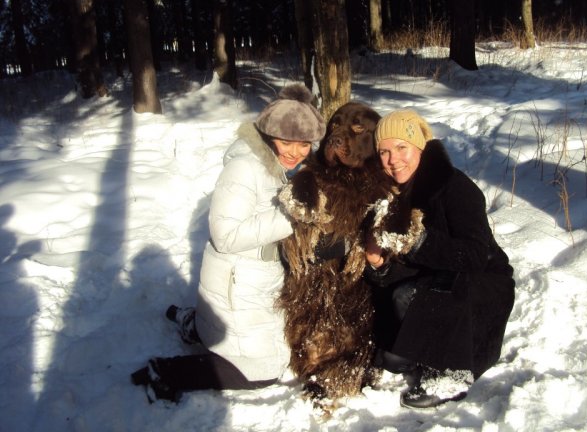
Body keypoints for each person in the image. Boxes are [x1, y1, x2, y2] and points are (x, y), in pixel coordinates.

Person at [131, 84, 326, 403]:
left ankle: (194, 325)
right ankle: (167, 371)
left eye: (303, 144)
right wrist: (292, 217)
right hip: (238, 278)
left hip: (254, 278)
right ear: (267, 135)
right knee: (262, 371)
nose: (294, 151)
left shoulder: (283, 167)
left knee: (273, 343)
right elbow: (226, 235)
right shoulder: (245, 167)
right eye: (285, 141)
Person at [364, 110, 515, 410]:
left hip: (481, 285)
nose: (393, 160)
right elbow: (408, 265)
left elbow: (474, 255)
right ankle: (417, 348)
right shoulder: (393, 195)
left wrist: (419, 241)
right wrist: (379, 266)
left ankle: (450, 374)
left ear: (420, 147)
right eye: (384, 151)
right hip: (436, 281)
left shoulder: (455, 187)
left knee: (412, 296)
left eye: (401, 148)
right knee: (394, 341)